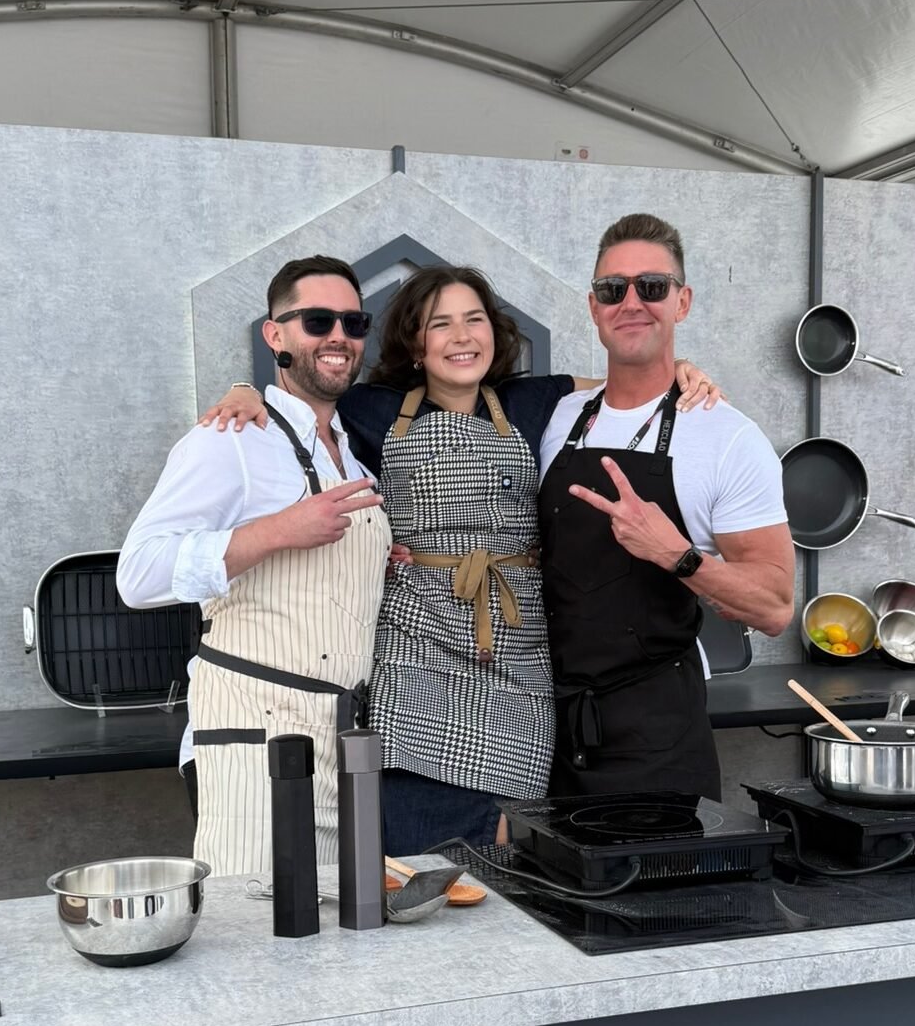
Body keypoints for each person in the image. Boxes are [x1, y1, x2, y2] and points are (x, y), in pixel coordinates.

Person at [199, 266, 719, 852]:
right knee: (413, 839)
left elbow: (624, 387)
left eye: (474, 320)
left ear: (495, 333)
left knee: (507, 846)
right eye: (438, 324)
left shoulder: (532, 400)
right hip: (418, 648)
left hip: (519, 657)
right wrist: (245, 391)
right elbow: (300, 392)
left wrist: (678, 371)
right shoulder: (372, 409)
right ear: (416, 346)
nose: (460, 336)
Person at [117, 256, 389, 877]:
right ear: (275, 335)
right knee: (258, 940)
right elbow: (138, 574)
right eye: (317, 320)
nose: (338, 337)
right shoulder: (229, 439)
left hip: (342, 740)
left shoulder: (354, 451)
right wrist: (276, 532)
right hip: (256, 741)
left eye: (353, 322)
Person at [539, 212, 794, 800]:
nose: (631, 302)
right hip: (548, 732)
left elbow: (776, 606)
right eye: (613, 289)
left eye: (652, 287)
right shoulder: (558, 417)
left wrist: (677, 556)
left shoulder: (727, 436)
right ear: (593, 306)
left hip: (655, 741)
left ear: (682, 301)